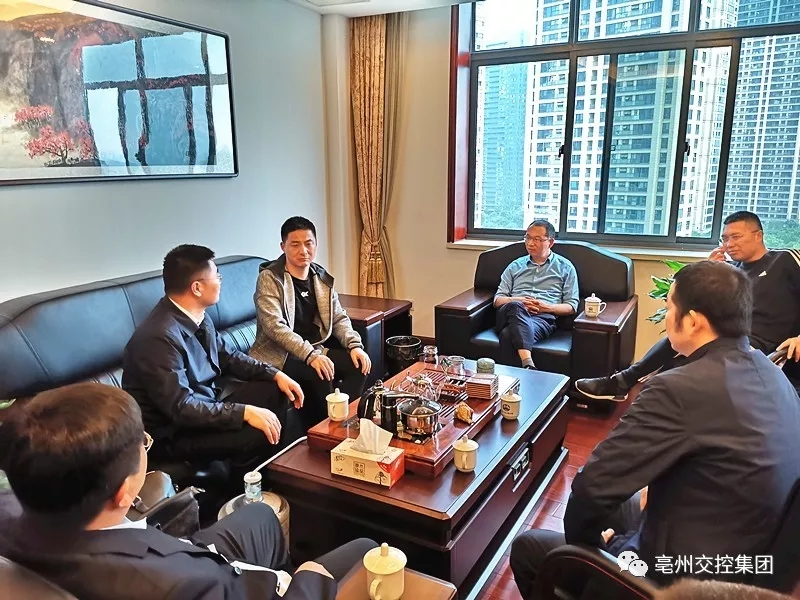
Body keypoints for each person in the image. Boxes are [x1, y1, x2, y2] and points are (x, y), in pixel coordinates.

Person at [509, 261, 800, 600]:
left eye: (669, 307)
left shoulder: (678, 388)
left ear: (693, 321)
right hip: (749, 566)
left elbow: (591, 489)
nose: (666, 316)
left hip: (680, 582)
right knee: (626, 501)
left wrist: (592, 552)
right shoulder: (774, 373)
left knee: (531, 548)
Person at [0, 382, 376, 600]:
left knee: (260, 515)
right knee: (366, 549)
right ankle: (284, 578)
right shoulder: (184, 586)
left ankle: (280, 570)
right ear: (124, 492)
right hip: (203, 574)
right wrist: (309, 580)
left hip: (169, 552)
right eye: (142, 445)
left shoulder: (9, 512)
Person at [122, 245, 305, 479]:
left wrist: (274, 374)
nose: (220, 281)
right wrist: (244, 412)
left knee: (276, 389)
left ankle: (278, 473)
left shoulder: (197, 315)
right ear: (197, 288)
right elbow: (181, 408)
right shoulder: (157, 338)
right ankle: (247, 486)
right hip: (175, 433)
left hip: (205, 408)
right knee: (258, 431)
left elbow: (229, 356)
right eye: (216, 275)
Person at [575, 211, 800, 400]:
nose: (729, 244)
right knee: (676, 350)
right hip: (724, 340)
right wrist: (709, 269)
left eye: (736, 237)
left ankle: (623, 383)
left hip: (762, 347)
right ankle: (625, 384)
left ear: (758, 235)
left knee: (675, 376)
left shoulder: (785, 259)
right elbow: (699, 302)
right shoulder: (732, 272)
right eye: (725, 239)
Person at [249, 217, 371, 430]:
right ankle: (322, 433)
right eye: (295, 244)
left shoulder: (320, 277)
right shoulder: (270, 279)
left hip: (314, 350)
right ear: (283, 246)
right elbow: (274, 326)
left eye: (308, 243)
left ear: (316, 244)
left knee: (358, 365)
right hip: (280, 356)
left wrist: (354, 345)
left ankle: (345, 423)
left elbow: (338, 317)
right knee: (320, 372)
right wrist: (311, 356)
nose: (303, 251)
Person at [494, 219, 579, 369]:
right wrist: (519, 301)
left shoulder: (565, 267)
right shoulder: (515, 266)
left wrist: (546, 307)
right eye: (527, 238)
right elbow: (498, 300)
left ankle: (516, 379)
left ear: (550, 242)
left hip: (542, 318)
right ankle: (528, 364)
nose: (530, 243)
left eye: (537, 239)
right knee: (516, 306)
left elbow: (571, 306)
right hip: (507, 314)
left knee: (508, 335)